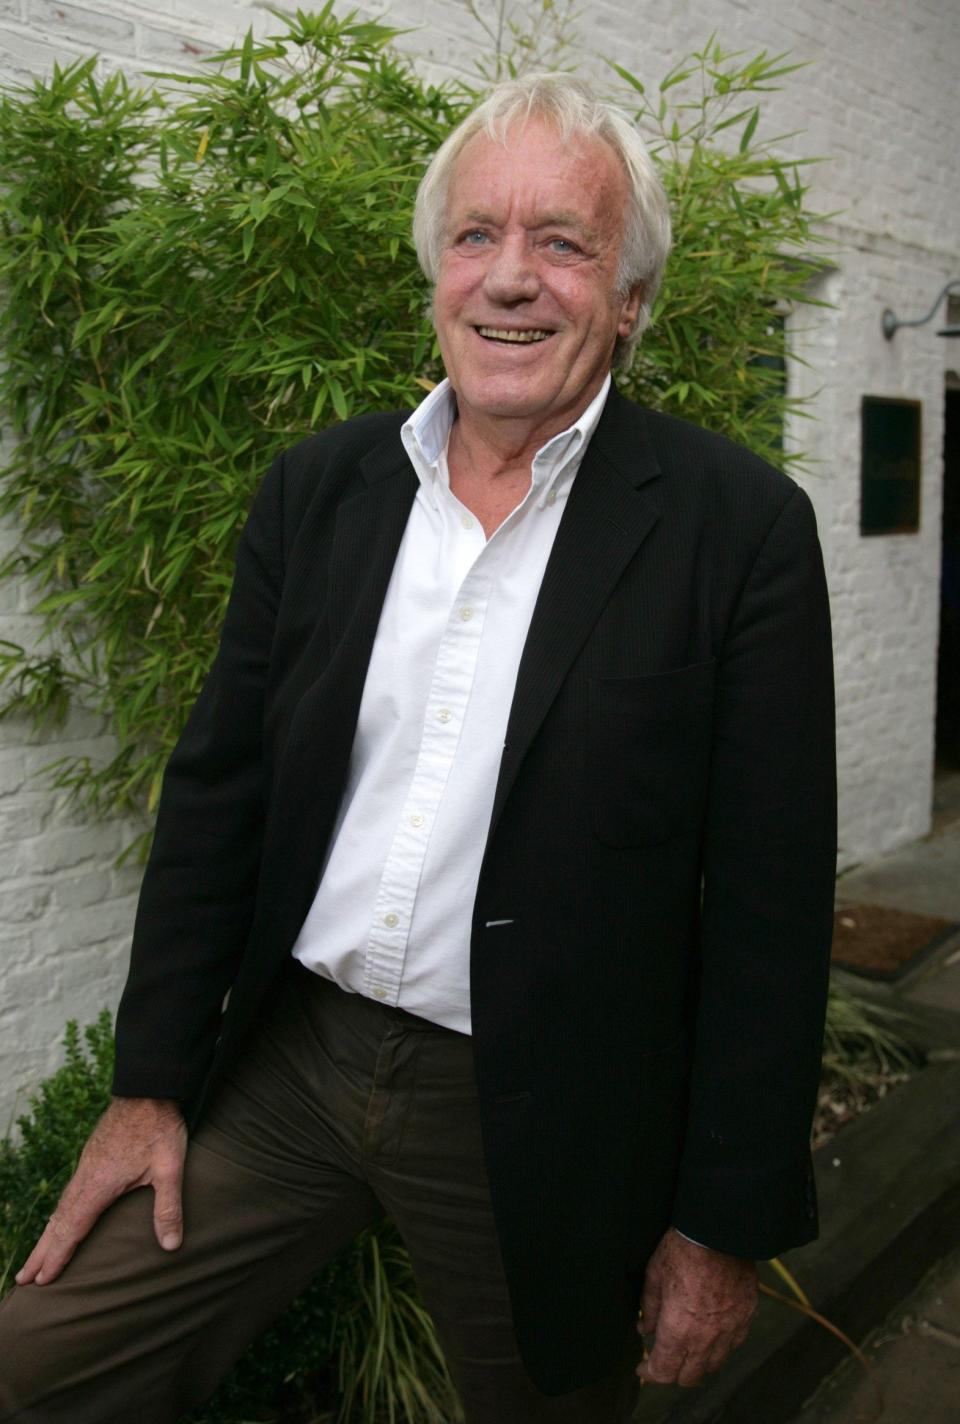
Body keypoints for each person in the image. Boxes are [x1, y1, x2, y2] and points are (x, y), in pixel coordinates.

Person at [0, 71, 836, 1423]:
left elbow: (769, 906)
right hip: (296, 1066)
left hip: (541, 1108)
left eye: (563, 243)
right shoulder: (319, 492)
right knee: (38, 1364)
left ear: (630, 301)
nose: (511, 280)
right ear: (435, 274)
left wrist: (721, 1223)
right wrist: (150, 1086)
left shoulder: (735, 531)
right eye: (475, 237)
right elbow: (220, 796)